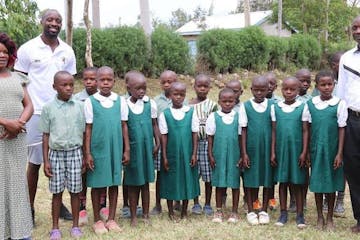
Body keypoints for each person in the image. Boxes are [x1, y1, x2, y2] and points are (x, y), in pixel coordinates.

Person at [14, 9, 76, 223]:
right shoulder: (28, 49)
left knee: (61, 159)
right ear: (42, 22)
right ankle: (27, 208)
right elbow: (19, 82)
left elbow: (70, 83)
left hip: (60, 114)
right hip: (34, 113)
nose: (54, 23)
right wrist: (23, 110)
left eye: (58, 20)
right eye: (50, 19)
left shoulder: (67, 50)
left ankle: (58, 206)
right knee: (34, 163)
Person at [84, 66, 130, 234]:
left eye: (108, 80)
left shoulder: (120, 101)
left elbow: (124, 126)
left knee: (114, 183)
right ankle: (97, 219)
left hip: (115, 148)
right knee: (97, 184)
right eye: (102, 80)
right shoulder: (91, 101)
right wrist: (88, 152)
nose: (105, 83)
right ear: (96, 81)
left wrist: (127, 149)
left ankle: (111, 218)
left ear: (113, 81)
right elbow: (88, 128)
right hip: (98, 149)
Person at [39, 71, 85, 239]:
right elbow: (45, 135)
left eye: (71, 85)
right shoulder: (48, 108)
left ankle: (75, 226)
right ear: (54, 87)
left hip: (75, 153)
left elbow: (85, 132)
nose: (68, 88)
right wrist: (46, 161)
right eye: (64, 85)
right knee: (57, 192)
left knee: (75, 191)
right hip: (56, 154)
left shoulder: (80, 106)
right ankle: (55, 227)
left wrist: (86, 155)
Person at [0, 32, 33, 240]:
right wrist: (6, 123)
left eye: (5, 51)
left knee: (17, 184)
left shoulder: (18, 77)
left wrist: (18, 124)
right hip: (2, 138)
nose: (2, 55)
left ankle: (19, 233)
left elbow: (29, 105)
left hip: (17, 140)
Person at [308, 70, 347, 231]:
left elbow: (342, 129)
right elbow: (306, 128)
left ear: (334, 85)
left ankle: (330, 217)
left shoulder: (340, 103)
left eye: (329, 84)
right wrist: (307, 151)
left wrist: (339, 153)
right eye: (322, 85)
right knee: (317, 183)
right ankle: (319, 217)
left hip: (332, 150)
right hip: (316, 149)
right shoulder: (311, 104)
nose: (326, 87)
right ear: (316, 86)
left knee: (330, 184)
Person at [123, 71, 160, 226]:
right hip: (133, 150)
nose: (142, 91)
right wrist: (126, 149)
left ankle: (145, 215)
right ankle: (133, 216)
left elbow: (154, 124)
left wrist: (157, 142)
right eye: (138, 88)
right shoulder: (124, 105)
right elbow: (124, 128)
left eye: (144, 88)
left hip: (146, 150)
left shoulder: (149, 104)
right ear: (128, 88)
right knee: (132, 184)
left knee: (145, 183)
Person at [271, 77, 309, 228]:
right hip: (281, 150)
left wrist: (304, 152)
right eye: (285, 89)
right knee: (283, 182)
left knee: (298, 183)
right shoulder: (276, 107)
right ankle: (283, 213)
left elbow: (306, 131)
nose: (288, 92)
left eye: (292, 89)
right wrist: (273, 151)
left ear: (298, 91)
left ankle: (300, 215)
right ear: (281, 90)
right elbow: (273, 131)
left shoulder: (303, 107)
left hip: (297, 150)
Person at [158, 82, 200, 220]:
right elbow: (163, 136)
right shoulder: (165, 114)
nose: (178, 97)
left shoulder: (191, 112)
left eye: (182, 95)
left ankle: (184, 211)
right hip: (172, 154)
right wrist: (164, 156)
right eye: (175, 94)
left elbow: (195, 134)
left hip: (188, 153)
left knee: (187, 179)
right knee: (171, 179)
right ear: (170, 96)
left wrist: (194, 153)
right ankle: (170, 211)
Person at [74, 67, 109, 225]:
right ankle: (82, 208)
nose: (89, 82)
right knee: (83, 175)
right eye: (86, 78)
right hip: (82, 141)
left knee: (101, 173)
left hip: (100, 142)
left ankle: (103, 206)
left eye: (93, 79)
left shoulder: (106, 99)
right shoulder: (76, 99)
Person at [337, 15, 360, 233]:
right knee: (353, 169)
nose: (358, 30)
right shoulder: (346, 58)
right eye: (355, 27)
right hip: (354, 120)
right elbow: (341, 93)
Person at [240, 76, 272, 225]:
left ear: (268, 90)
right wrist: (244, 153)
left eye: (262, 90)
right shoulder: (245, 106)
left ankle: (264, 209)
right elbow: (243, 130)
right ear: (251, 89)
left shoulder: (272, 105)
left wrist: (273, 151)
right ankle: (252, 210)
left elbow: (274, 129)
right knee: (251, 178)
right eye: (256, 90)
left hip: (267, 148)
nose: (259, 93)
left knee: (267, 178)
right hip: (251, 148)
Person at [207, 88, 241, 223]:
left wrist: (242, 155)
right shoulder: (214, 116)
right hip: (219, 154)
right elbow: (210, 138)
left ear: (235, 101)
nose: (227, 103)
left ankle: (234, 211)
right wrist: (210, 155)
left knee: (234, 183)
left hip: (234, 154)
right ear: (219, 101)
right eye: (224, 101)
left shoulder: (238, 116)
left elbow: (241, 137)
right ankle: (219, 210)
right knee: (220, 183)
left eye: (230, 101)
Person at [189, 74, 218, 216]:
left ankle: (207, 203)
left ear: (209, 88)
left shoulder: (212, 105)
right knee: (194, 174)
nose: (202, 88)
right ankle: (195, 203)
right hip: (193, 144)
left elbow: (215, 126)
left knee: (208, 175)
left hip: (208, 144)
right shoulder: (188, 105)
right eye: (199, 86)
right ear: (194, 87)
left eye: (205, 86)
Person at [151, 70, 178, 215]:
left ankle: (177, 201)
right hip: (162, 144)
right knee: (161, 174)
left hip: (178, 144)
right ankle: (157, 204)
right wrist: (157, 143)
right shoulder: (156, 101)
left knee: (177, 172)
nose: (167, 84)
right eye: (164, 82)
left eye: (170, 81)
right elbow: (154, 123)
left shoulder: (182, 100)